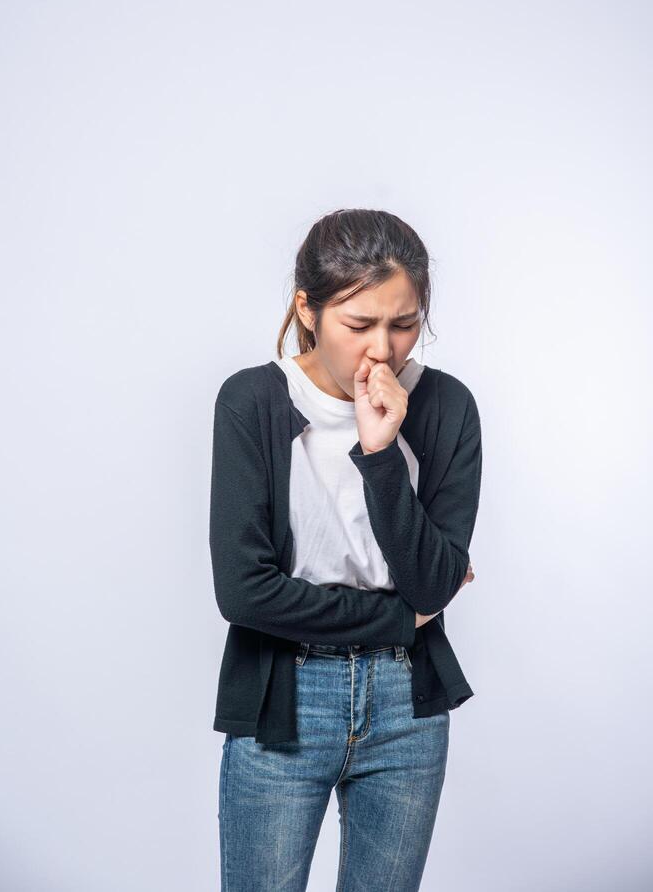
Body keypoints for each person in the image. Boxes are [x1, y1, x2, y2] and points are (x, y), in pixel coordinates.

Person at [209, 208, 482, 891]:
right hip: (284, 698)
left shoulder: (447, 408)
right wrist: (396, 618)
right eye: (358, 325)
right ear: (308, 309)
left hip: (406, 706)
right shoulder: (252, 403)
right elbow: (245, 593)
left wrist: (381, 450)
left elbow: (432, 583)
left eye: (404, 323)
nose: (383, 351)